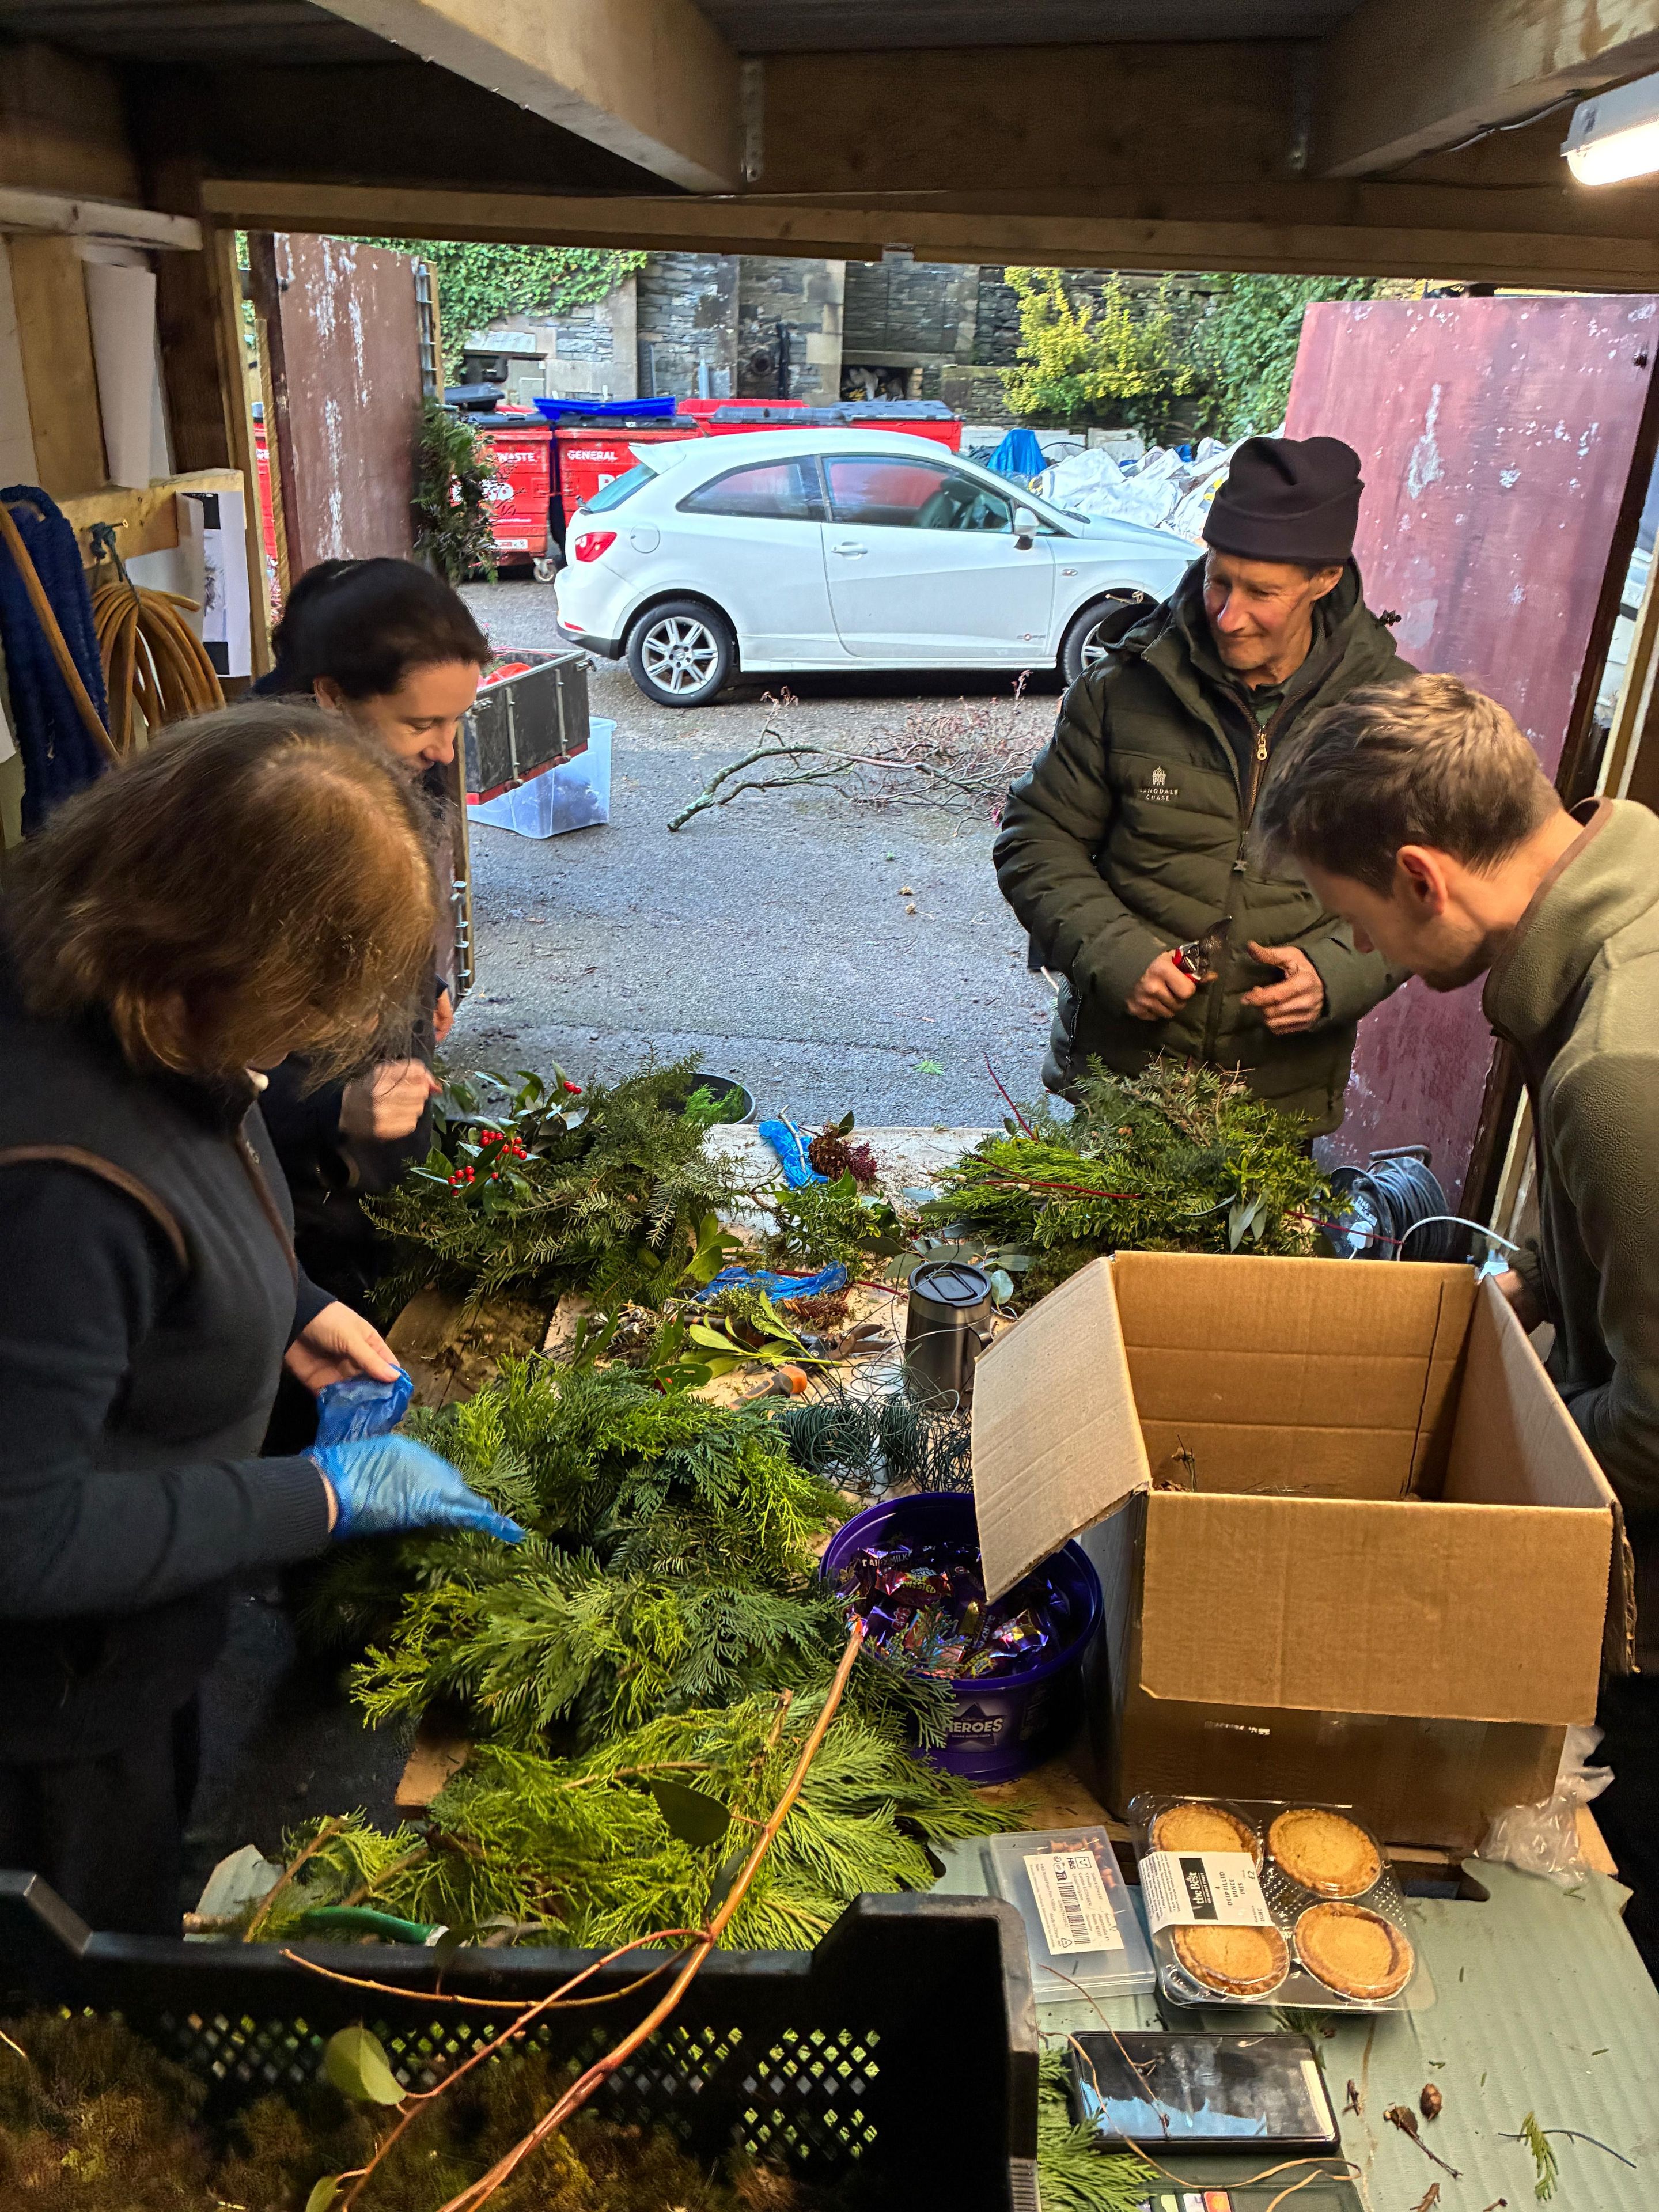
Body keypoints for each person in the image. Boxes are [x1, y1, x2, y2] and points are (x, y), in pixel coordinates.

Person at [0, 703, 521, 1937]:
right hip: (44, 1730)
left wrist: (281, 1303)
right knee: (83, 2008)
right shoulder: (52, 1180)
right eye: (299, 1016)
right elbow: (22, 1534)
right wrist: (319, 1498)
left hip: (134, 1659)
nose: (293, 1056)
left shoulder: (124, 1007)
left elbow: (183, 1190)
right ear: (219, 962)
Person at [1255, 670, 1659, 1969]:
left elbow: (1655, 1426)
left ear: (1423, 878)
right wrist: (1526, 1285)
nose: (1358, 950)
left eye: (1353, 918)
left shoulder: (1618, 1069)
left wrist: (1496, 1446)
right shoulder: (1623, 899)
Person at [994, 434, 1409, 1132]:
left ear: (1325, 579)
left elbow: (1426, 885)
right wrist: (1118, 954)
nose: (1228, 613)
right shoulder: (1126, 685)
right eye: (1220, 579)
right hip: (1121, 1082)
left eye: (1262, 592)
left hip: (1277, 1095)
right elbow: (1035, 841)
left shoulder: (1392, 715)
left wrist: (1341, 972)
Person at [255, 559, 491, 1315]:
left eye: (457, 720)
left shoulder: (381, 750)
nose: (445, 751)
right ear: (330, 695)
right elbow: (176, 1073)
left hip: (387, 1171)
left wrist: (421, 989)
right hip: (295, 1212)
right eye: (422, 724)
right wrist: (327, 1111)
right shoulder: (261, 820)